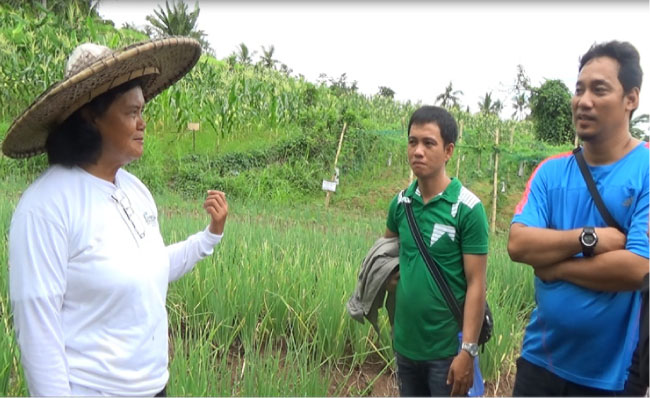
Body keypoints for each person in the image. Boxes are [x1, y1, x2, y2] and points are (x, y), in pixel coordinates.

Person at [3, 38, 228, 396]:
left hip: (155, 388)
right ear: (91, 116)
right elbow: (37, 334)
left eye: (142, 111)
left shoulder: (135, 190)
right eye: (131, 112)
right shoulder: (46, 207)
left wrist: (208, 239)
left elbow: (147, 268)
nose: (142, 124)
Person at [507, 40, 648, 396]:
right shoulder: (550, 173)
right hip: (540, 363)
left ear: (631, 98)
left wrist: (557, 269)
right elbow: (519, 243)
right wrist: (590, 239)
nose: (583, 100)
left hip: (613, 377)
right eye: (579, 89)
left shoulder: (645, 169)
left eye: (599, 89)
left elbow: (637, 268)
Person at [384, 105, 489, 396]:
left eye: (429, 143)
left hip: (447, 351)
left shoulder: (468, 209)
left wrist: (467, 350)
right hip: (405, 347)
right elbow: (386, 257)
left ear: (448, 151)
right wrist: (388, 279)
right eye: (413, 141)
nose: (418, 151)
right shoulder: (401, 204)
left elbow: (477, 284)